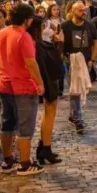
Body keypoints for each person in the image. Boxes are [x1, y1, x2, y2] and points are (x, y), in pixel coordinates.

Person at [0, 3, 45, 176]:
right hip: (22, 86)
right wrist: (40, 83)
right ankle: (25, 164)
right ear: (26, 20)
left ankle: (8, 160)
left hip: (4, 83)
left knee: (7, 123)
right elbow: (31, 63)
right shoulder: (23, 36)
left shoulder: (2, 33)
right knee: (25, 126)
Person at [30, 15, 63, 166]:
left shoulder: (35, 43)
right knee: (50, 114)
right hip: (47, 81)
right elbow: (52, 61)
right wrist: (59, 43)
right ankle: (45, 148)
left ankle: (44, 146)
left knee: (48, 114)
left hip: (46, 80)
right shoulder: (37, 45)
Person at [61, 2, 97, 134]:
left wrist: (92, 59)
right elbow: (60, 43)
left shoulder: (89, 25)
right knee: (75, 89)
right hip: (70, 61)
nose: (84, 12)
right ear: (73, 11)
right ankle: (78, 119)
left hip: (85, 62)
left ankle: (73, 114)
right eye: (81, 10)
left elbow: (96, 42)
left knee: (77, 89)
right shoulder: (65, 26)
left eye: (84, 10)